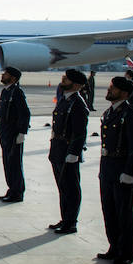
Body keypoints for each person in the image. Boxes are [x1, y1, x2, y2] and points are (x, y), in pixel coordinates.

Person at [98, 76, 133, 264]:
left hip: (123, 171)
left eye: (113, 89)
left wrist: (130, 172)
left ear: (124, 94)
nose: (110, 90)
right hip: (108, 169)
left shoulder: (130, 114)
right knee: (109, 211)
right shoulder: (110, 112)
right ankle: (114, 246)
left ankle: (126, 252)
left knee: (125, 213)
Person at [48, 69, 89, 234]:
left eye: (66, 79)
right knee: (62, 187)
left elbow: (80, 133)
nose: (62, 81)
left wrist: (74, 153)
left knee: (71, 188)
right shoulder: (65, 101)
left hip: (68, 152)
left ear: (76, 85)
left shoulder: (78, 104)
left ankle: (71, 221)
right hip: (58, 149)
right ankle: (65, 218)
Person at [0, 67, 30, 203]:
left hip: (14, 133)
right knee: (7, 163)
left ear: (14, 78)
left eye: (6, 75)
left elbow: (25, 113)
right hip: (5, 132)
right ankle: (11, 189)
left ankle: (17, 192)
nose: (3, 76)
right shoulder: (6, 92)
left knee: (15, 163)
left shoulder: (17, 92)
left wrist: (22, 132)